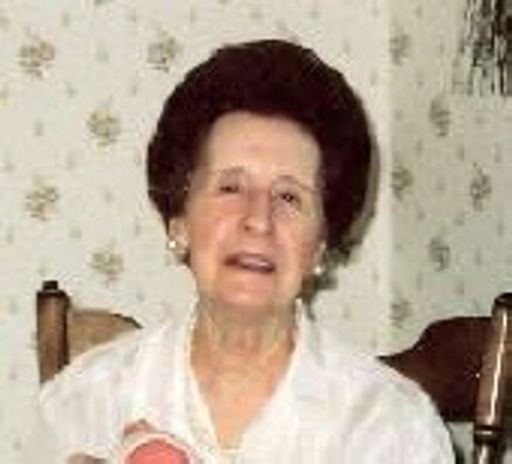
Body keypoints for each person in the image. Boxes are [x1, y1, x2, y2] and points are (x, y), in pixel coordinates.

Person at [27, 39, 455, 463]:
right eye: (230, 187)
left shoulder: (393, 426)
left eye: (289, 197)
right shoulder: (84, 403)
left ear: (320, 246)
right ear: (179, 222)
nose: (259, 219)